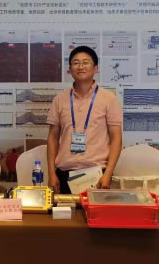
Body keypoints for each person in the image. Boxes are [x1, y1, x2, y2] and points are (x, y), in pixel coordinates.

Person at [46, 46, 122, 194]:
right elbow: (52, 138)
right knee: (65, 210)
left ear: (96, 68)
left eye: (86, 62)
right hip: (64, 174)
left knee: (94, 210)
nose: (80, 66)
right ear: (70, 69)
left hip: (98, 174)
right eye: (76, 63)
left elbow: (116, 139)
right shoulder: (59, 100)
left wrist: (108, 174)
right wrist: (51, 173)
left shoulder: (109, 99)